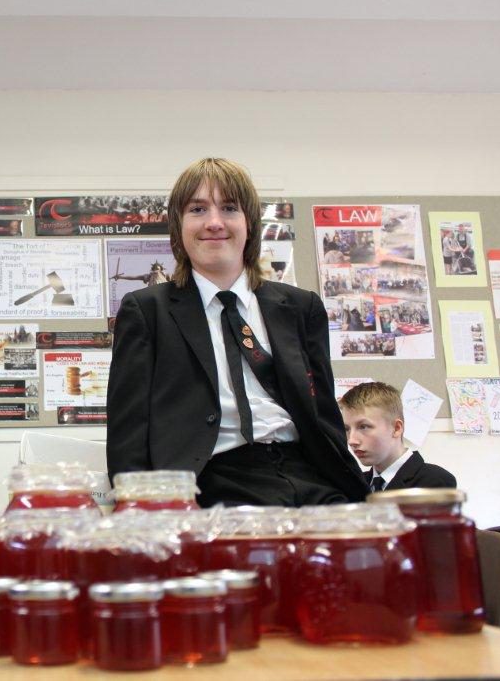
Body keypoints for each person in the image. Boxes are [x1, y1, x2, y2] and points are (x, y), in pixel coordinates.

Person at [106, 157, 367, 507]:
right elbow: (128, 431)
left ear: (250, 224)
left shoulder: (300, 308)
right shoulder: (147, 311)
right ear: (178, 226)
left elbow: (324, 417)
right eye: (197, 209)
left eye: (229, 208)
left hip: (309, 475)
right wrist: (138, 506)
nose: (214, 222)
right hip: (210, 481)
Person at [339, 381, 456, 491]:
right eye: (347, 429)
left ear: (396, 428)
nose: (351, 440)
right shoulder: (355, 484)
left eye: (363, 426)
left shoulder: (434, 481)